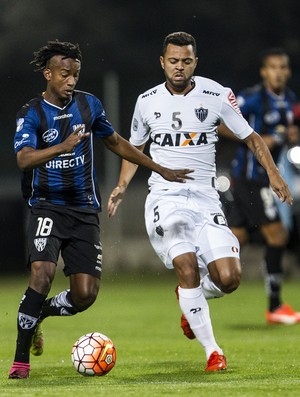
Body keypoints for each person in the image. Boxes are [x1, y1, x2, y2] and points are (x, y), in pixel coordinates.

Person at [107, 32, 292, 372]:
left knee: (229, 278)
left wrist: (274, 174)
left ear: (195, 62)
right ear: (162, 62)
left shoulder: (217, 94)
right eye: (173, 61)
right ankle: (213, 351)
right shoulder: (146, 100)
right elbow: (133, 149)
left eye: (186, 61)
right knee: (187, 266)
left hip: (207, 199)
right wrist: (121, 185)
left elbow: (250, 137)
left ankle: (189, 297)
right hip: (165, 197)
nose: (179, 67)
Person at [9, 40, 193, 379]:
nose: (71, 81)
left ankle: (37, 316)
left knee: (85, 296)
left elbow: (115, 142)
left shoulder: (88, 105)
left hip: (83, 212)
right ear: (48, 74)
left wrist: (159, 167)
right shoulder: (31, 113)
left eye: (75, 75)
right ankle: (21, 360)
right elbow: (23, 159)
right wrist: (62, 146)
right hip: (46, 207)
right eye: (64, 74)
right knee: (42, 275)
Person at [218, 47, 300, 325]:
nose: (278, 72)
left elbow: (282, 132)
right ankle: (275, 307)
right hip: (251, 179)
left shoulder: (289, 99)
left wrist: (290, 135)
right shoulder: (252, 98)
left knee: (236, 238)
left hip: (254, 179)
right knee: (277, 236)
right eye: (272, 67)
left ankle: (197, 284)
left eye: (282, 67)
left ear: (287, 71)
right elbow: (220, 125)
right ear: (264, 72)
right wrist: (255, 138)